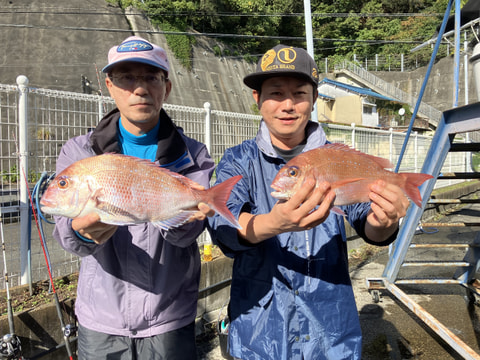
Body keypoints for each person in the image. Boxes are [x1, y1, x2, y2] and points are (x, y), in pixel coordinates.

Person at [207, 44, 410, 360]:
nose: (287, 105)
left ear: (314, 99)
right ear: (257, 99)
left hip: (331, 334)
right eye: (275, 93)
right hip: (257, 334)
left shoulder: (337, 157)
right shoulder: (238, 160)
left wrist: (384, 221)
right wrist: (274, 223)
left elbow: (368, 222)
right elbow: (224, 223)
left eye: (299, 94)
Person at [52, 36, 214, 359]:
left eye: (151, 77)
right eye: (127, 77)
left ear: (166, 88)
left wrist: (186, 218)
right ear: (109, 86)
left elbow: (186, 235)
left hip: (169, 319)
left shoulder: (193, 155)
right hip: (101, 323)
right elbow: (65, 232)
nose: (140, 88)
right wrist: (80, 232)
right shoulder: (80, 153)